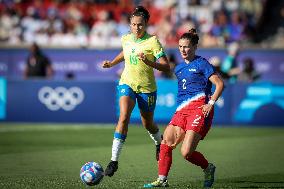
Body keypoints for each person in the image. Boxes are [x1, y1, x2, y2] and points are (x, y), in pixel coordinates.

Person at [144, 29, 224, 188]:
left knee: (186, 153)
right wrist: (149, 63)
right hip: (181, 110)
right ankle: (162, 179)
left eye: (186, 47)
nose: (183, 50)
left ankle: (208, 168)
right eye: (180, 47)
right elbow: (164, 68)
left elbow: (220, 84)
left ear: (194, 47)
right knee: (166, 142)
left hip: (199, 109)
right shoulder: (179, 68)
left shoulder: (202, 63)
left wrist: (211, 103)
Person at [101, 6, 170, 177]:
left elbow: (166, 66)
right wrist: (112, 63)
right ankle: (113, 160)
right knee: (124, 116)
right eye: (133, 24)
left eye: (140, 25)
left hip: (147, 88)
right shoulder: (126, 38)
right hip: (127, 83)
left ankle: (158, 142)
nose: (136, 28)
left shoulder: (153, 41)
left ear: (146, 24)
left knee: (148, 123)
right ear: (130, 25)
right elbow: (125, 53)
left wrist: (149, 62)